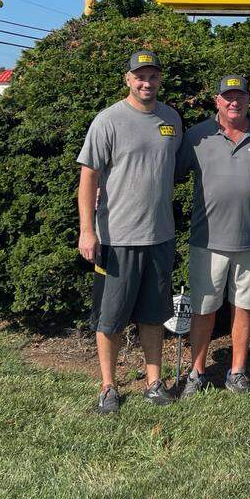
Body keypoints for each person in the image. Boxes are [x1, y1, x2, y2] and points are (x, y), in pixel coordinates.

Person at [77, 50, 183, 412]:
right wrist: (87, 231)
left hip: (160, 236)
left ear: (159, 80)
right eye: (139, 76)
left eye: (152, 76)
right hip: (116, 238)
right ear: (128, 79)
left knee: (154, 315)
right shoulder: (108, 121)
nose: (146, 83)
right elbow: (88, 177)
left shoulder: (171, 119)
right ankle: (108, 386)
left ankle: (155, 382)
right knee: (111, 317)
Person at [177, 75, 250, 397]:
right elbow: (167, 172)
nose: (234, 102)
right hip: (207, 242)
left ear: (248, 99)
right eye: (228, 97)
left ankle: (237, 371)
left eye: (240, 96)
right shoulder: (198, 135)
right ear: (217, 100)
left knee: (244, 307)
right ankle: (196, 373)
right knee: (203, 310)